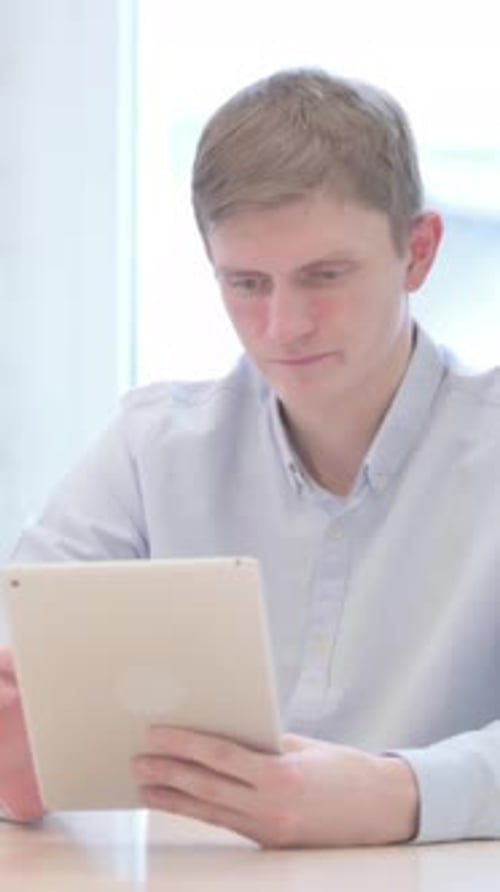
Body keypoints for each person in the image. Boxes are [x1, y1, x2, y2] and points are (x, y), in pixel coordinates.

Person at [1, 66, 500, 847]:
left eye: (324, 276)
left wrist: (402, 793)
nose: (282, 325)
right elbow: (22, 659)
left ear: (420, 252)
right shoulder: (150, 447)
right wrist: (23, 759)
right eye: (245, 283)